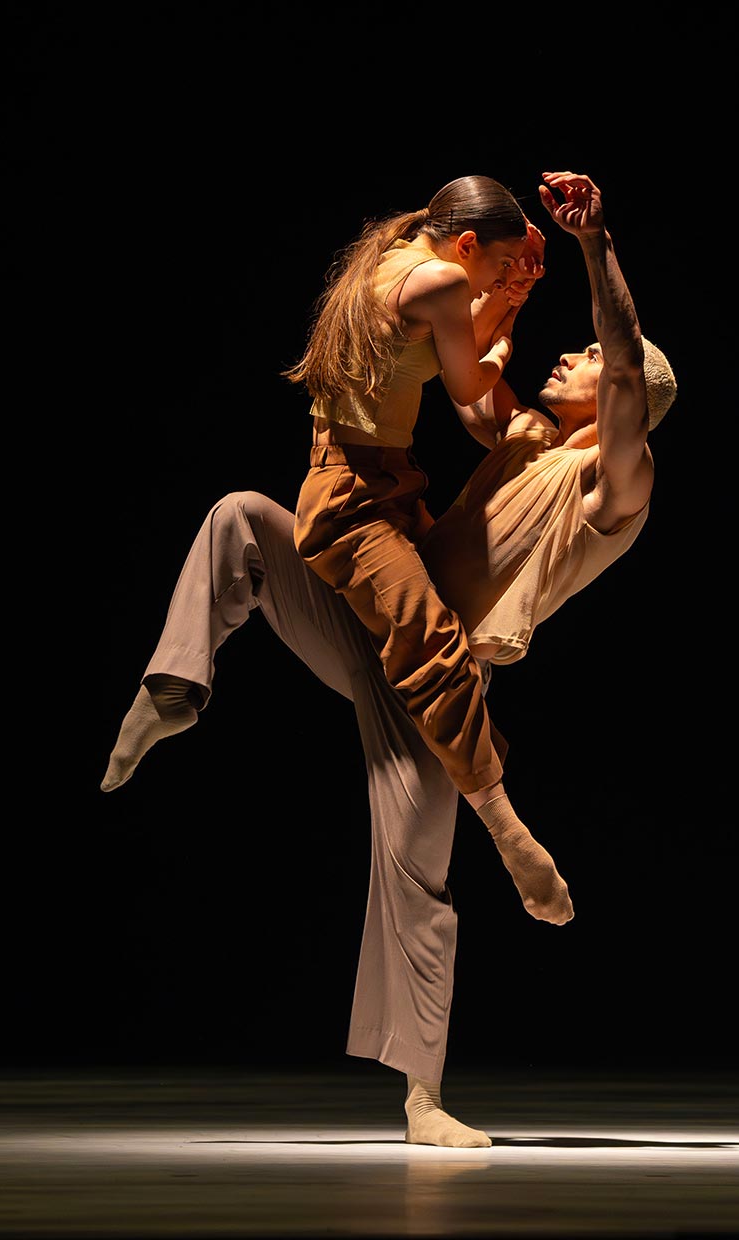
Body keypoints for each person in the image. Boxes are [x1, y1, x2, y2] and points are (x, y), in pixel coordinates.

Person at [101, 170, 676, 1147]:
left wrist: (593, 246)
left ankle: (422, 1099)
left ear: (621, 406)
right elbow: (477, 397)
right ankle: (174, 685)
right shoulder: (531, 443)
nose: (573, 354)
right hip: (377, 623)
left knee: (414, 871)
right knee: (242, 520)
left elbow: (620, 365)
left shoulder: (611, 482)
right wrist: (504, 297)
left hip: (436, 689)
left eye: (585, 358)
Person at [285, 173, 574, 927]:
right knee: (435, 643)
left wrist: (508, 288)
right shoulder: (442, 281)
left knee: (460, 631)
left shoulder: (400, 255)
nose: (496, 280)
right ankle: (509, 835)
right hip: (352, 498)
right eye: (497, 264)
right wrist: (506, 329)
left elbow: (459, 335)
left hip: (386, 481)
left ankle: (464, 769)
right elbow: (471, 384)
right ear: (467, 243)